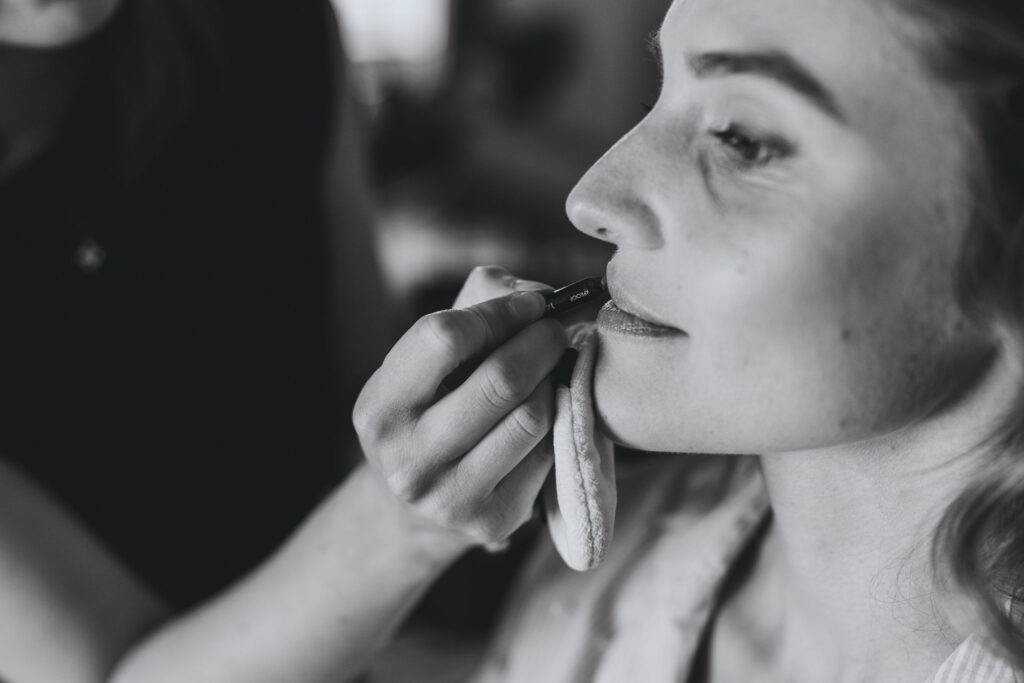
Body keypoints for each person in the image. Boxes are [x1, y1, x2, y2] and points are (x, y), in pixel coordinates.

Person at [352, 0, 1024, 680]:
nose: (590, 197)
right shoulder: (594, 589)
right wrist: (398, 533)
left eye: (740, 136)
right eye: (660, 93)